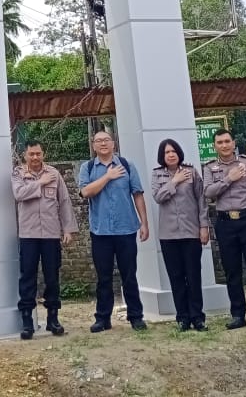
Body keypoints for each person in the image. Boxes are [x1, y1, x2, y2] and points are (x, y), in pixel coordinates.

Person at [77, 131, 149, 333]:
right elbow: (85, 192)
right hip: (100, 232)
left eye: (106, 140)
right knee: (104, 278)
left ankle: (136, 317)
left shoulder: (127, 165)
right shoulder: (88, 167)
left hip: (126, 229)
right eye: (98, 141)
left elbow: (138, 194)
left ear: (113, 143)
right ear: (93, 145)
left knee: (129, 276)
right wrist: (107, 176)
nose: (102, 144)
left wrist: (144, 223)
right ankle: (102, 318)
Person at [203, 129, 246, 330]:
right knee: (232, 271)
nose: (224, 145)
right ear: (215, 146)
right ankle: (238, 315)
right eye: (219, 142)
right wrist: (228, 178)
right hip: (225, 223)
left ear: (233, 143)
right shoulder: (210, 167)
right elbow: (208, 193)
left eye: (227, 141)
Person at [11, 140, 78, 339]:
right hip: (29, 234)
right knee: (28, 277)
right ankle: (27, 321)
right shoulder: (18, 174)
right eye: (31, 154)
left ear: (43, 154)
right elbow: (19, 194)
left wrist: (68, 229)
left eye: (38, 153)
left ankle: (53, 318)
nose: (35, 157)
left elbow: (64, 201)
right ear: (25, 155)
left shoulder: (54, 174)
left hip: (50, 233)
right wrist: (39, 183)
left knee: (52, 277)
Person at [150, 139, 210, 332]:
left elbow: (202, 200)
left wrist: (204, 227)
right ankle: (182, 317)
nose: (171, 154)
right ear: (162, 156)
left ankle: (197, 317)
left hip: (191, 232)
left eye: (174, 151)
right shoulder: (157, 174)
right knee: (176, 277)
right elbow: (158, 197)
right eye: (167, 152)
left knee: (193, 276)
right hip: (169, 235)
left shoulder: (191, 172)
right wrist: (174, 181)